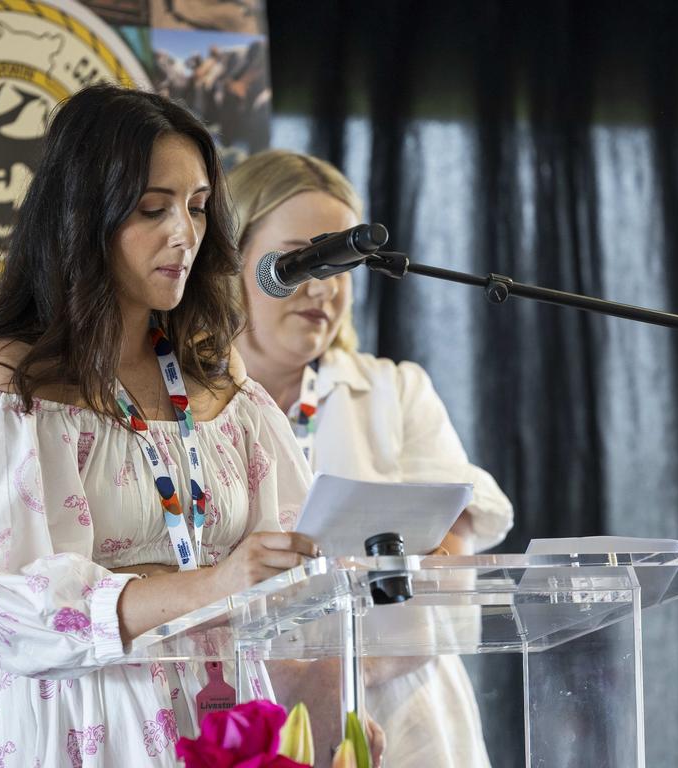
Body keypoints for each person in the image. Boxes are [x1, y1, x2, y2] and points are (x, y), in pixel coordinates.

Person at [0, 85, 330, 767]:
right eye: (152, 209)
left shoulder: (220, 380)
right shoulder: (8, 384)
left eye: (196, 208)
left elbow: (283, 557)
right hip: (73, 725)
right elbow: (5, 609)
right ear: (83, 217)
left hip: (218, 715)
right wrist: (214, 583)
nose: (183, 235)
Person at [229, 149, 514, 768]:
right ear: (230, 260)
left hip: (406, 721)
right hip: (242, 724)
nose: (325, 285)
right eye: (304, 257)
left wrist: (338, 677)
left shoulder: (395, 392)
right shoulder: (185, 410)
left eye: (343, 263)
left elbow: (450, 576)